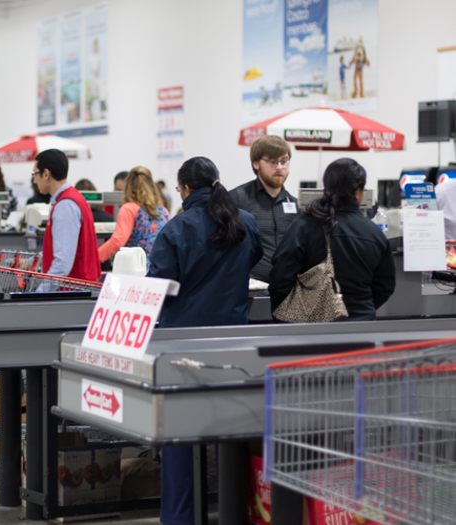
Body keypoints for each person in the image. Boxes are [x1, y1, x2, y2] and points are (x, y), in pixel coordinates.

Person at [147, 156, 263, 525]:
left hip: (182, 346)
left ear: (183, 189)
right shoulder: (245, 222)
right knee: (233, 429)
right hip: (234, 342)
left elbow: (156, 288)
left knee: (180, 436)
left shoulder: (176, 229)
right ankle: (236, 509)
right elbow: (254, 258)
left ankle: (180, 518)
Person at [269, 158, 395, 320]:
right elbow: (385, 287)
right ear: (358, 193)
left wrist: (286, 309)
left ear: (326, 188)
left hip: (312, 328)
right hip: (361, 328)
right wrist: (360, 308)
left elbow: (281, 274)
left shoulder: (305, 225)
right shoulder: (374, 233)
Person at [229, 135, 298, 283]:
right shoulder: (236, 199)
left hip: (287, 291)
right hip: (250, 291)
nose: (279, 167)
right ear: (256, 164)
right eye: (273, 161)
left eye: (284, 161)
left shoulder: (295, 205)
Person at [32, 149, 100, 281]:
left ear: (46, 174)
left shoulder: (65, 205)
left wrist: (41, 293)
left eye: (35, 174)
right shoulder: (73, 198)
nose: (34, 181)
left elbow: (62, 263)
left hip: (72, 292)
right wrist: (32, 260)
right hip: (79, 288)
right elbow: (65, 247)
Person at [99, 167, 169, 268]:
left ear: (128, 187)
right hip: (159, 270)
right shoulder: (163, 211)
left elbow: (117, 241)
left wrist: (95, 258)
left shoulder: (129, 209)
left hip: (136, 270)